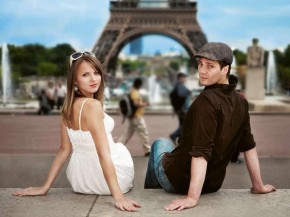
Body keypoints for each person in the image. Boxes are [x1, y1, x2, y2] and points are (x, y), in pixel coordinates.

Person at [144, 42, 276, 211]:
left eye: (210, 66)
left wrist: (192, 198)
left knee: (159, 143)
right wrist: (259, 186)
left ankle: (148, 201)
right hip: (212, 184)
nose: (202, 71)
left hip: (179, 182)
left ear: (225, 69)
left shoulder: (206, 101)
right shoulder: (241, 101)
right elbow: (248, 146)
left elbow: (201, 152)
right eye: (200, 64)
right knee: (170, 148)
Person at [13, 51, 140, 212]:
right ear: (74, 80)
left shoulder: (67, 107)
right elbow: (103, 154)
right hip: (106, 180)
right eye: (86, 75)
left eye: (96, 72)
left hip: (80, 180)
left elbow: (64, 149)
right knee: (121, 148)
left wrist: (45, 187)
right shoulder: (93, 106)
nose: (94, 79)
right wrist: (118, 196)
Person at [118, 78, 151, 156]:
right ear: (139, 85)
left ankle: (118, 146)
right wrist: (145, 104)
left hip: (133, 117)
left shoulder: (132, 91)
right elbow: (136, 104)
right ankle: (147, 150)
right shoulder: (135, 92)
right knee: (144, 133)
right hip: (137, 117)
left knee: (128, 134)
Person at [169, 72, 191, 145]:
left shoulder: (179, 85)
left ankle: (180, 139)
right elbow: (181, 94)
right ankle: (175, 136)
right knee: (185, 125)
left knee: (184, 124)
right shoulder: (179, 85)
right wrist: (188, 92)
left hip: (181, 109)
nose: (185, 79)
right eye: (184, 77)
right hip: (183, 109)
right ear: (180, 78)